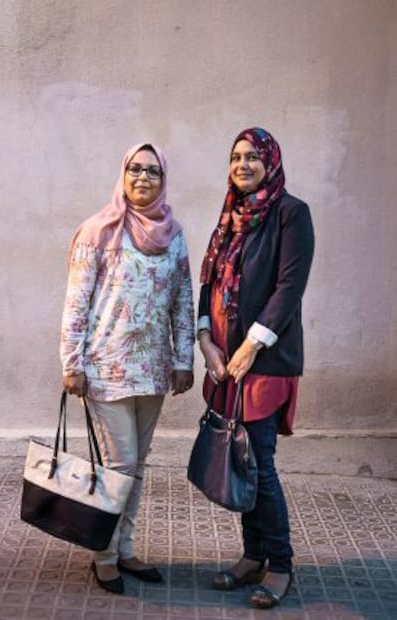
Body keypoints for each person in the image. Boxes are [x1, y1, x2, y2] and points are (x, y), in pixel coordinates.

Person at [60, 143, 194, 594]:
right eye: (134, 169)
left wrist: (182, 360)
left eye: (153, 171)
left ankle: (126, 547)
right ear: (123, 174)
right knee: (120, 463)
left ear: (163, 178)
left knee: (137, 466)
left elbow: (182, 298)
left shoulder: (173, 236)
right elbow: (76, 302)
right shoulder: (97, 232)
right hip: (106, 368)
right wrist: (71, 362)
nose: (143, 177)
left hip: (153, 370)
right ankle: (105, 554)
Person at [197, 127, 314, 609]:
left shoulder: (291, 213)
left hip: (264, 363)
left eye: (252, 157)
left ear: (271, 161)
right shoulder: (229, 218)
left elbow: (290, 287)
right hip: (226, 363)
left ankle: (281, 564)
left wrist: (249, 346)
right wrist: (205, 340)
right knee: (240, 461)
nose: (243, 165)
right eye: (236, 157)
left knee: (260, 466)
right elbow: (206, 285)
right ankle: (252, 556)